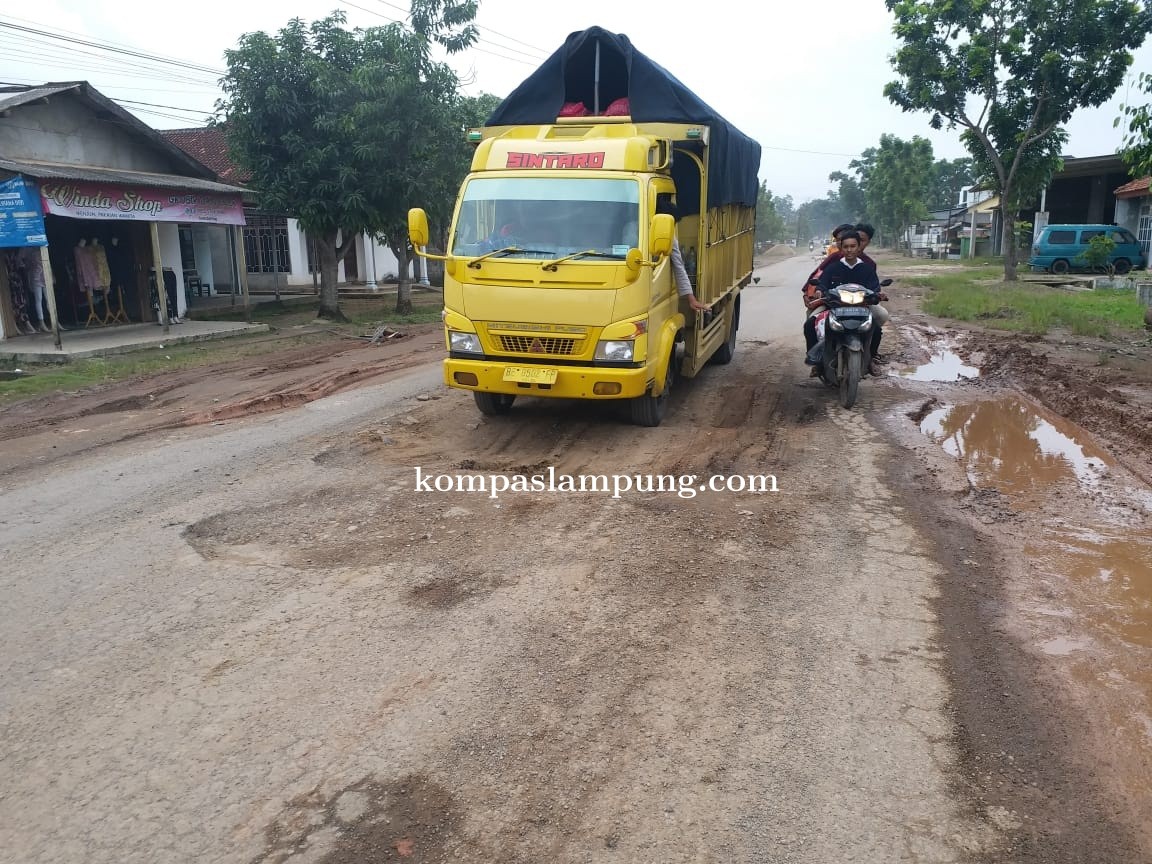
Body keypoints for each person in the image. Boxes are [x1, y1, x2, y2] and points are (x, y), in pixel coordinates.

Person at [804, 230, 884, 377]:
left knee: (876, 330)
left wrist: (877, 294)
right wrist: (820, 291)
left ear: (859, 247)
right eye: (846, 246)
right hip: (833, 305)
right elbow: (822, 283)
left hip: (861, 307)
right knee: (810, 324)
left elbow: (875, 287)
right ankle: (816, 362)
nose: (849, 250)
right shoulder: (833, 267)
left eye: (853, 246)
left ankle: (871, 359)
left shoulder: (867, 268)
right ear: (841, 247)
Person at [655, 195, 708, 312]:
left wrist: (691, 299)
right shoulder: (634, 229)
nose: (672, 228)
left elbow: (679, 266)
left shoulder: (669, 237)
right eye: (672, 224)